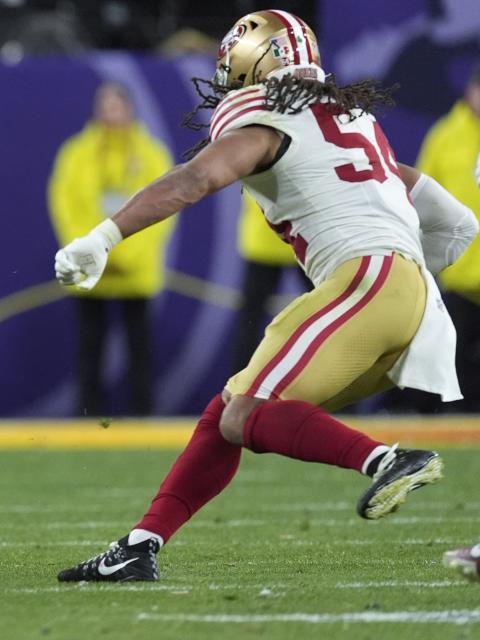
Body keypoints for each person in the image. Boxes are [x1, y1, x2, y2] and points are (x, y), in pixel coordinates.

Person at [53, 10, 478, 582]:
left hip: (364, 283)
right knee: (231, 409)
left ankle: (387, 459)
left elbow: (194, 180)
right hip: (410, 298)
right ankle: (140, 545)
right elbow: (456, 223)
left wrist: (105, 235)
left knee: (247, 411)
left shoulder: (266, 122)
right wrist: (408, 271)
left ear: (256, 62)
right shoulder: (350, 120)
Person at [47, 82, 175, 416]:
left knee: (140, 346)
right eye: (104, 104)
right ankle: (86, 416)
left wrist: (126, 256)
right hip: (90, 272)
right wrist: (86, 252)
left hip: (136, 271)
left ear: (130, 108)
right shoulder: (76, 153)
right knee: (90, 346)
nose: (110, 111)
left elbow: (162, 211)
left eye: (117, 104)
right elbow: (64, 204)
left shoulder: (151, 153)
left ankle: (144, 415)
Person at [415, 65, 480, 411]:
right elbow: (424, 195)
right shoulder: (445, 135)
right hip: (460, 270)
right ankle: (458, 419)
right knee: (454, 355)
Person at [230, 190, 310, 374]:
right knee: (333, 313)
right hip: (302, 240)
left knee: (250, 321)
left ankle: (237, 390)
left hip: (265, 242)